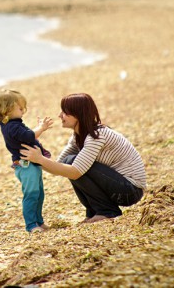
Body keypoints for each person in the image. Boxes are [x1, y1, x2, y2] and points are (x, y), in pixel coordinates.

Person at [20, 92, 147, 224]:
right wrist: (34, 157)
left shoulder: (97, 135)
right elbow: (58, 166)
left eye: (65, 111)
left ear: (78, 114)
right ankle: (94, 211)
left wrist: (40, 159)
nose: (60, 115)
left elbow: (74, 172)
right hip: (119, 186)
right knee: (68, 162)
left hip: (130, 190)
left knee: (73, 164)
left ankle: (107, 211)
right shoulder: (80, 135)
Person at [0, 89, 53, 233]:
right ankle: (31, 225)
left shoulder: (13, 124)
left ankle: (39, 221)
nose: (23, 111)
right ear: (8, 109)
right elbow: (29, 137)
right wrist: (41, 128)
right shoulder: (12, 126)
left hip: (31, 163)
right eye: (20, 108)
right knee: (31, 194)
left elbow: (25, 135)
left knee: (39, 193)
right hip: (26, 166)